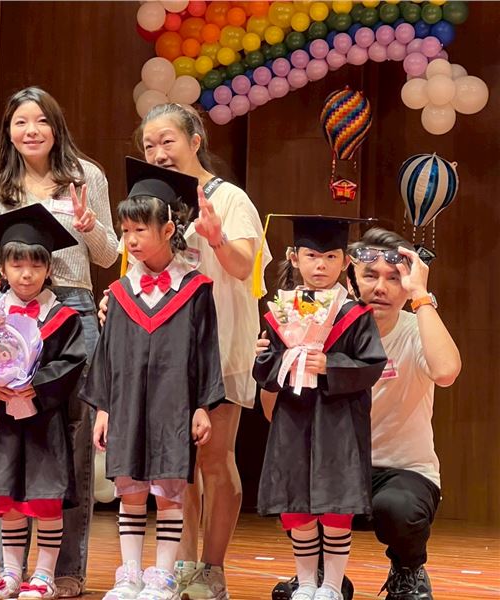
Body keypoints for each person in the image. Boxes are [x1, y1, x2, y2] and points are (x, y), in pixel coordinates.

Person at [100, 103, 271, 600]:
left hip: (219, 347)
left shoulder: (229, 198)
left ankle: (211, 570)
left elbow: (244, 267)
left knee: (214, 458)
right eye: (149, 145)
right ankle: (180, 566)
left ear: (196, 141)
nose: (158, 152)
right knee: (177, 466)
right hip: (163, 355)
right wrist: (117, 302)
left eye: (167, 140)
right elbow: (137, 268)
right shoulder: (154, 201)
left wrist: (216, 240)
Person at [0, 86, 118, 597]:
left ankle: (64, 571)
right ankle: (10, 569)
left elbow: (108, 256)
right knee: (11, 428)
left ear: (56, 126)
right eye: (20, 122)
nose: (31, 130)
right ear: (9, 131)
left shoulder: (86, 176)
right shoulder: (1, 186)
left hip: (70, 309)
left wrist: (90, 226)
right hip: (10, 312)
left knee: (71, 440)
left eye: (40, 121)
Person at [265, 227, 460, 600]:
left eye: (394, 278)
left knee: (398, 509)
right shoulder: (317, 332)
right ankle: (322, 577)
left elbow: (447, 371)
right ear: (350, 278)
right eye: (370, 276)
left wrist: (421, 296)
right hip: (333, 467)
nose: (381, 288)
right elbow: (273, 412)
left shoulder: (416, 328)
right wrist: (280, 359)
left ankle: (407, 570)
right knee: (293, 484)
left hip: (401, 472)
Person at [82, 159, 224, 600]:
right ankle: (129, 574)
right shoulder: (121, 293)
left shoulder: (195, 290)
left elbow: (207, 352)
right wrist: (103, 408)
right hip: (126, 403)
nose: (130, 240)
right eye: (125, 231)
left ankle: (162, 576)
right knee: (129, 490)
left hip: (173, 404)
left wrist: (203, 405)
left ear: (168, 230)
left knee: (167, 491)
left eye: (140, 230)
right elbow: (107, 354)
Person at [253, 215, 387, 600]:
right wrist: (270, 358)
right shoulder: (281, 311)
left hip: (338, 421)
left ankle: (331, 585)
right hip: (293, 418)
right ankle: (306, 582)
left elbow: (372, 364)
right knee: (297, 505)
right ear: (294, 258)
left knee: (335, 505)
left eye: (330, 257)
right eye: (311, 256)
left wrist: (330, 365)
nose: (320, 265)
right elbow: (265, 372)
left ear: (345, 262)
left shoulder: (355, 315)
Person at [0, 204, 87, 600]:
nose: (26, 274)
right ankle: (9, 574)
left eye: (36, 265)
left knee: (45, 497)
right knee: (8, 498)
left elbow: (71, 363)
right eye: (17, 265)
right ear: (3, 269)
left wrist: (35, 385)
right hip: (6, 419)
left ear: (49, 269)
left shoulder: (63, 317)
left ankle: (43, 575)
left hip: (44, 422)